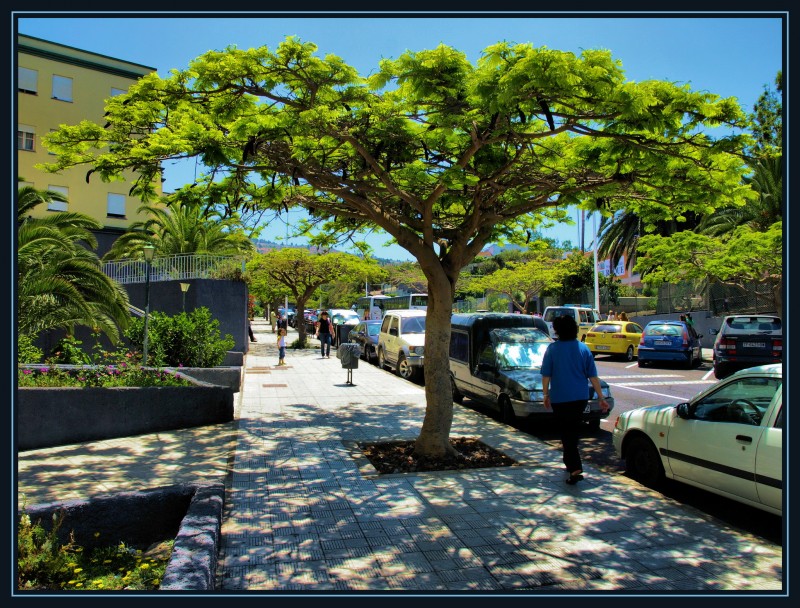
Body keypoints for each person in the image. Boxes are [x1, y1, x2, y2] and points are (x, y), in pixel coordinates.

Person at [541, 315, 610, 485]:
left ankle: (575, 468)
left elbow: (546, 375)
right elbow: (593, 376)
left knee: (566, 432)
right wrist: (601, 397)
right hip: (580, 398)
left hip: (560, 398)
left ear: (557, 330)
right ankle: (570, 463)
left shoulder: (552, 349)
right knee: (571, 431)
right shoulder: (583, 349)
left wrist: (545, 395)